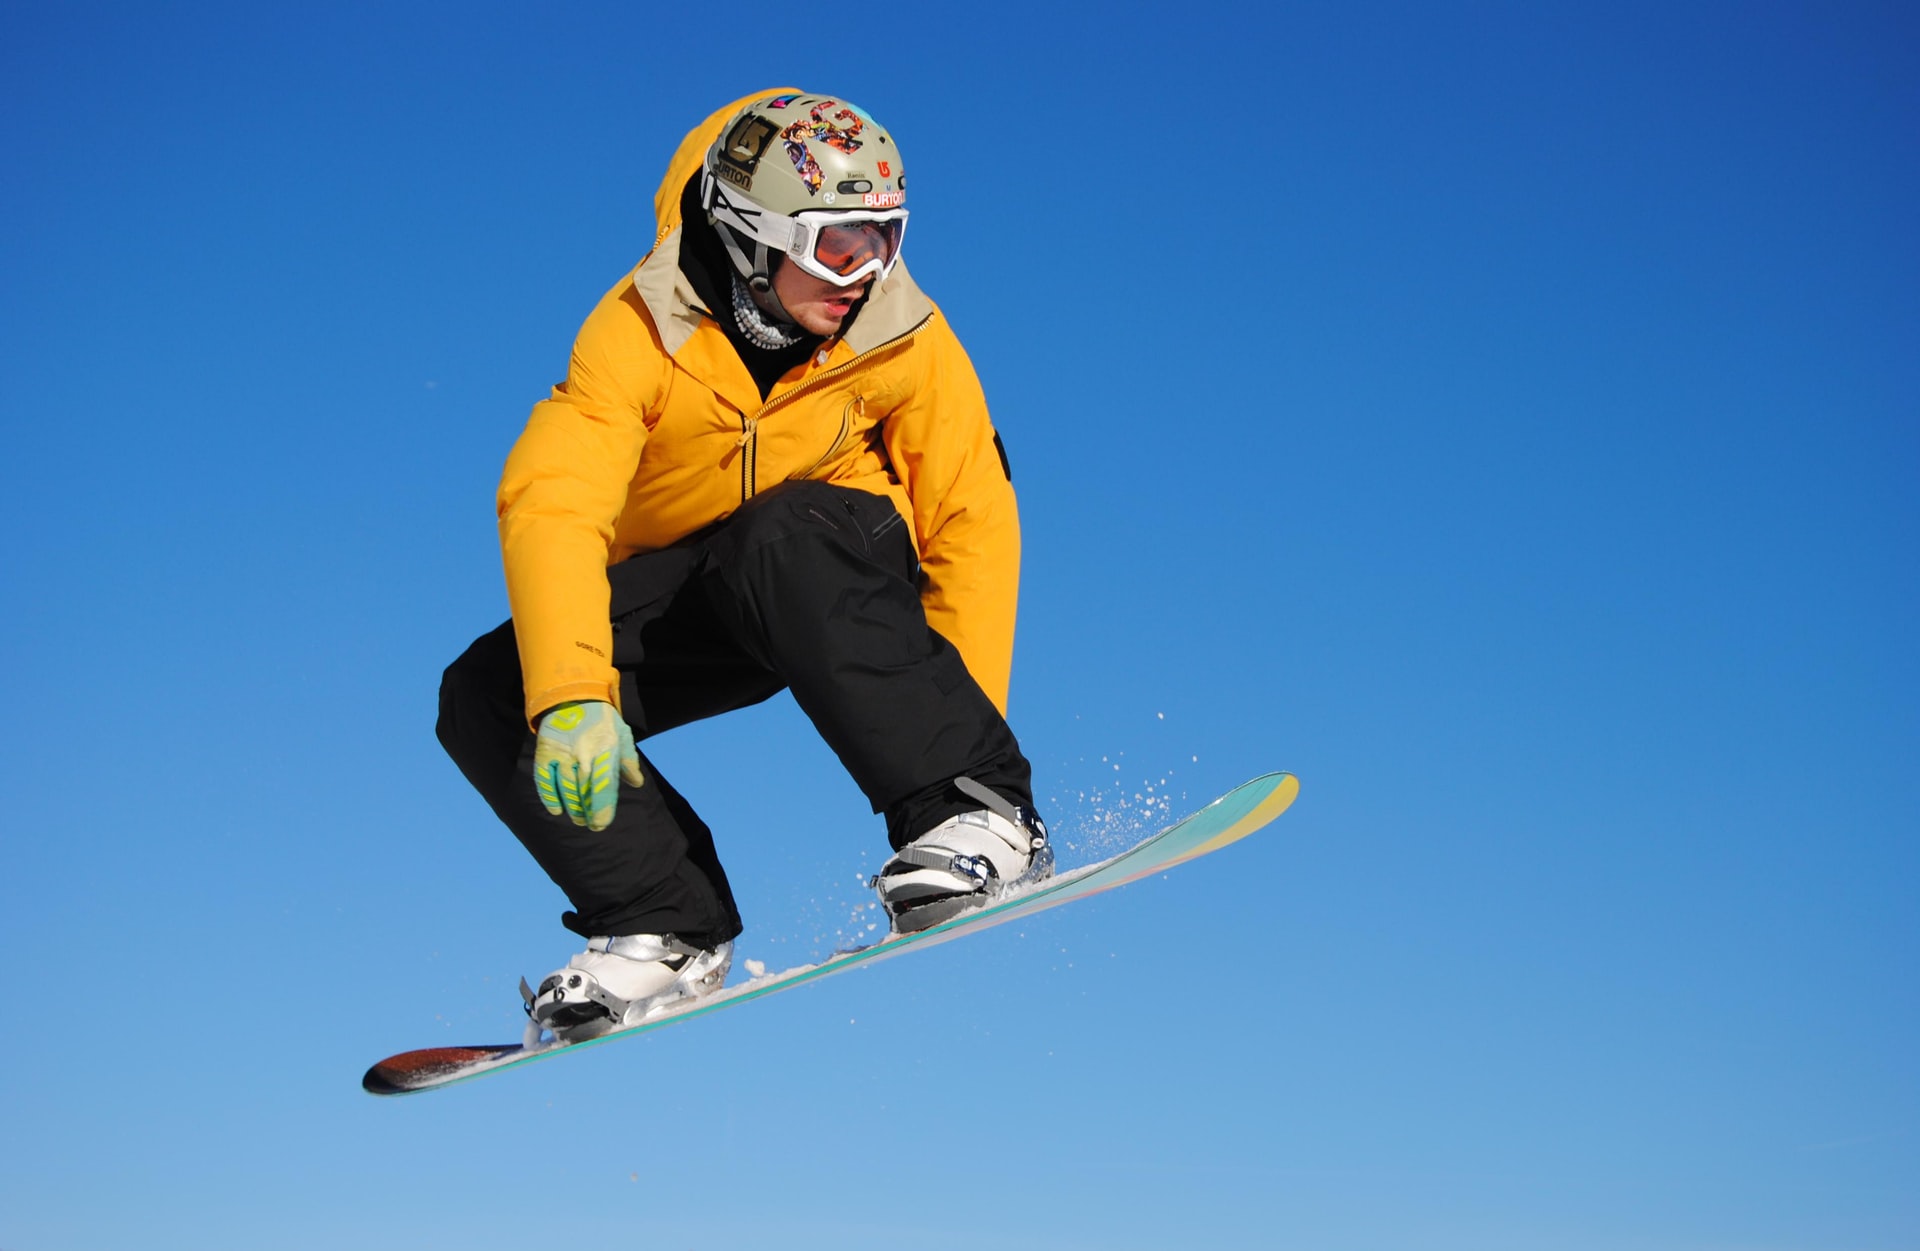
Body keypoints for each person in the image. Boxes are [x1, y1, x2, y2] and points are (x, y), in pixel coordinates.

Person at [436, 90, 1050, 1043]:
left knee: (783, 530)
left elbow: (971, 513)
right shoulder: (641, 333)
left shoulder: (904, 330)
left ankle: (975, 815)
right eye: (838, 246)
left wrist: (964, 742)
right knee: (488, 690)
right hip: (705, 591)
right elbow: (555, 498)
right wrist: (571, 698)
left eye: (887, 238)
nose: (868, 273)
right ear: (752, 238)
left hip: (834, 570)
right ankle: (663, 922)